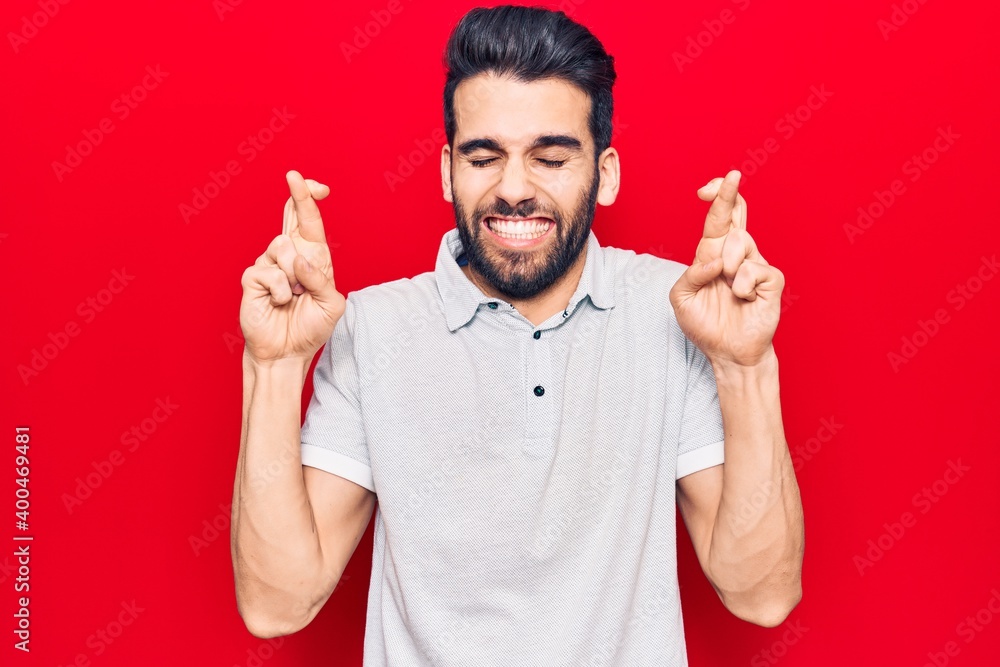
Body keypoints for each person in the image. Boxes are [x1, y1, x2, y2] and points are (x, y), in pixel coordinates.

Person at [232, 6, 803, 665]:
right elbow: (276, 604)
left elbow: (761, 594)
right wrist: (273, 367)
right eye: (483, 157)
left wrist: (745, 367)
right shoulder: (372, 328)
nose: (512, 189)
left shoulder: (677, 311)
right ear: (447, 170)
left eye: (550, 158)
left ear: (606, 174)